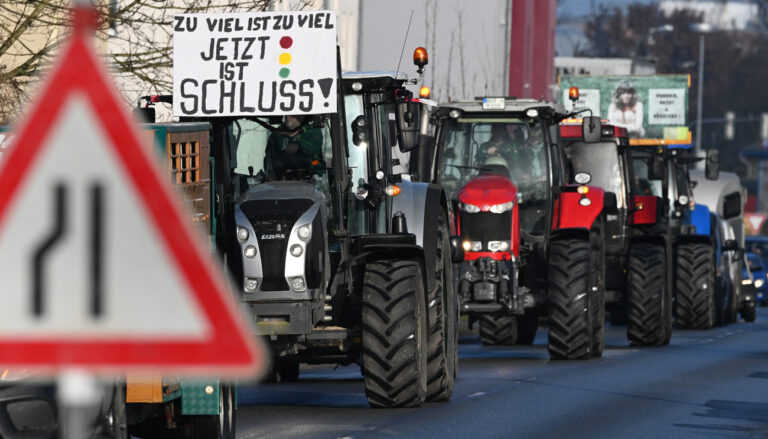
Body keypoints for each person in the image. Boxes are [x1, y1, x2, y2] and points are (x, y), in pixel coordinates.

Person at [264, 114, 324, 179]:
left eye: (292, 114)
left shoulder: (313, 131)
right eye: (285, 113)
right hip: (280, 183)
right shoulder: (275, 136)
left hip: (312, 177)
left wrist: (300, 145)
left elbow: (316, 155)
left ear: (301, 116)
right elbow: (270, 162)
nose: (287, 116)